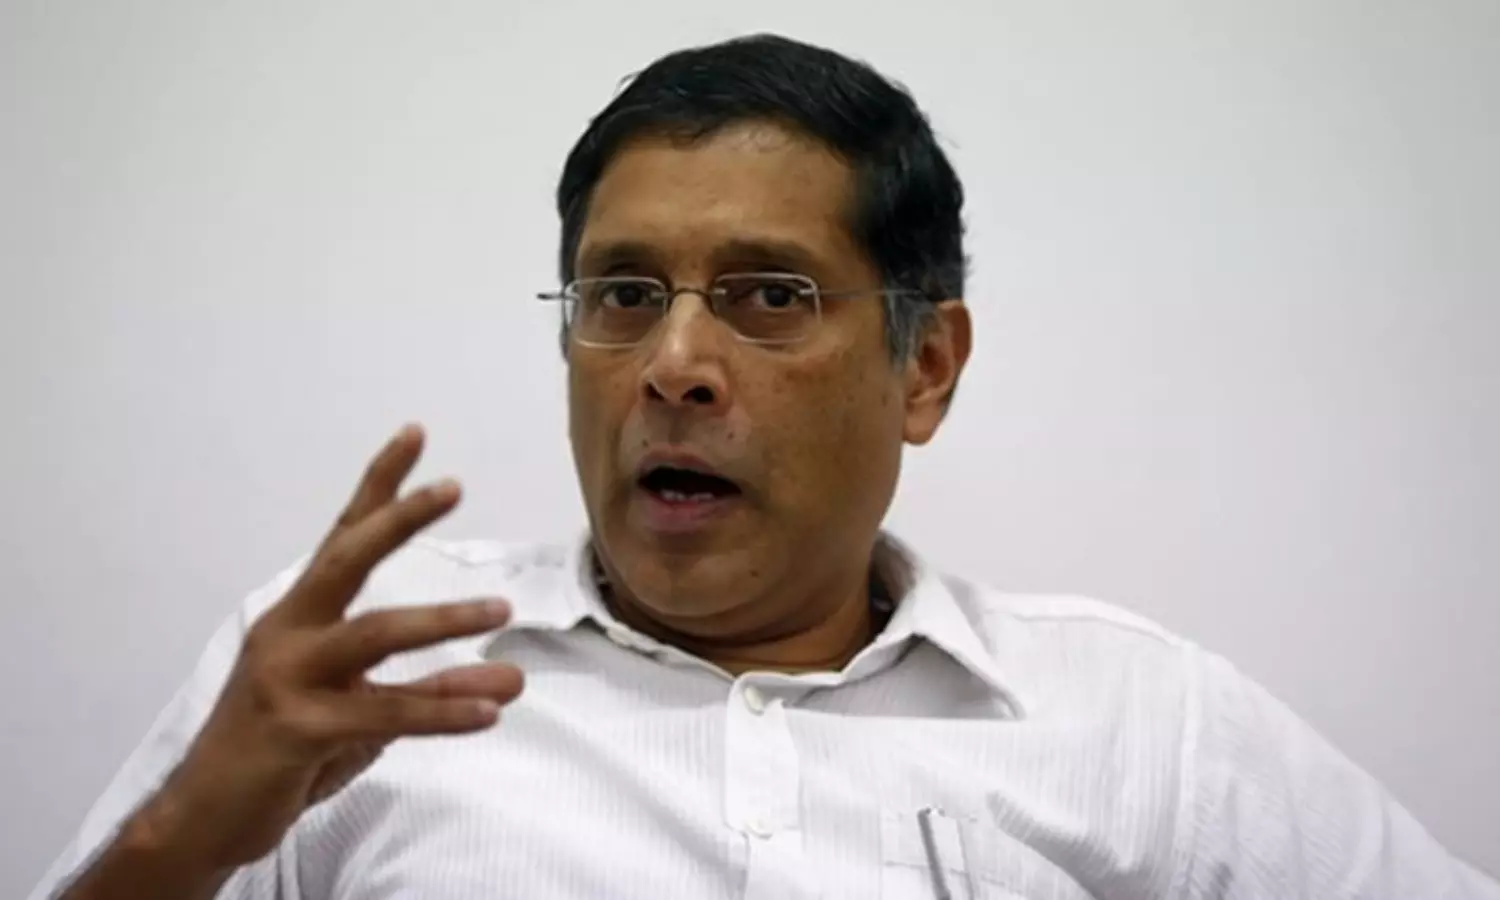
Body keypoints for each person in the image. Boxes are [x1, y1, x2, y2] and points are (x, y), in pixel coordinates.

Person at [30, 32, 1496, 900]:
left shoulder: (1139, 723)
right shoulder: (357, 681)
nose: (673, 363)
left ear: (924, 368)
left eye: (770, 295)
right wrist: (175, 848)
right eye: (621, 294)